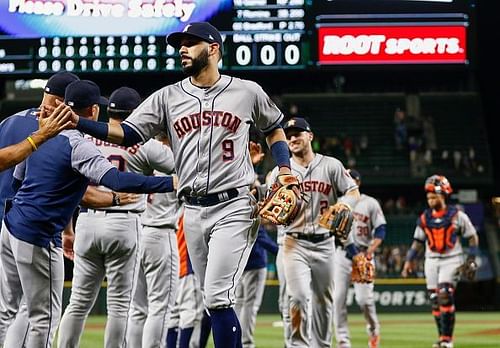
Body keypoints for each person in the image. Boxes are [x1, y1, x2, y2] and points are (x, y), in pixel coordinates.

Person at [63, 21, 294, 348]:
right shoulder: (168, 96)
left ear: (213, 49)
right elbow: (128, 134)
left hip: (235, 205)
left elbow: (275, 127)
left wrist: (284, 168)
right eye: (180, 44)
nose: (183, 48)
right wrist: (80, 123)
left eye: (192, 42)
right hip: (192, 211)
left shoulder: (247, 91)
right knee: (208, 298)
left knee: (216, 296)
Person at [0, 80, 176, 348]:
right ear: (93, 111)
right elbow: (116, 180)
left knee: (10, 310)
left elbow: (17, 180)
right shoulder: (77, 143)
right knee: (44, 318)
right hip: (38, 233)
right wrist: (170, 183)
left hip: (11, 225)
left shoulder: (41, 133)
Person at [57, 86, 176, 348]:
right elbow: (180, 165)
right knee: (120, 305)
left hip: (86, 221)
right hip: (124, 222)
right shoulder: (143, 143)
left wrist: (68, 229)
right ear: (136, 113)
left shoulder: (84, 137)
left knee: (77, 302)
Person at [0, 71, 80, 348]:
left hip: (7, 224)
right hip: (26, 225)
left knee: (7, 309)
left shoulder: (9, 121)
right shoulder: (59, 131)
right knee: (35, 311)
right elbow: (59, 184)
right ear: (65, 102)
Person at [267, 117, 360, 347]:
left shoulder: (331, 165)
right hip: (293, 243)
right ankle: (299, 345)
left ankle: (322, 345)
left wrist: (345, 204)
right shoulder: (279, 172)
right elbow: (267, 208)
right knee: (297, 298)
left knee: (323, 302)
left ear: (310, 136)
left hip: (325, 243)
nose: (293, 139)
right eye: (288, 136)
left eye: (298, 133)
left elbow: (353, 191)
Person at [402, 175, 479, 348]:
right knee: (435, 299)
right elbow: (417, 242)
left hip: (452, 259)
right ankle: (442, 338)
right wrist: (408, 261)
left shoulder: (457, 215)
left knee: (445, 294)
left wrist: (472, 259)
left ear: (443, 195)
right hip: (431, 260)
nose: (430, 200)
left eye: (434, 196)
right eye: (428, 197)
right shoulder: (424, 218)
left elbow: (472, 237)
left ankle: (447, 340)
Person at [126, 135, 180, 348]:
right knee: (160, 307)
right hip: (160, 234)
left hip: (136, 231)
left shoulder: (138, 154)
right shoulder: (176, 160)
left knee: (137, 309)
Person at [333, 169, 387, 348]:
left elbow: (380, 230)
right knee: (338, 298)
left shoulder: (370, 203)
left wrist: (370, 251)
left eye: (350, 179)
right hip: (342, 255)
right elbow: (334, 230)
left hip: (364, 254)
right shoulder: (338, 202)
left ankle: (373, 330)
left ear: (358, 182)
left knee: (364, 300)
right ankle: (343, 340)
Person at [234, 225, 278, 348]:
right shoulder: (251, 214)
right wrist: (280, 251)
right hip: (255, 265)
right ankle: (246, 343)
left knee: (239, 304)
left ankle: (235, 340)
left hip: (239, 265)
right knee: (250, 306)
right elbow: (262, 239)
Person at [166, 211, 204, 348]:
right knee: (191, 315)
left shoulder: (169, 206)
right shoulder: (189, 204)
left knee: (173, 316)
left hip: (171, 267)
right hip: (187, 267)